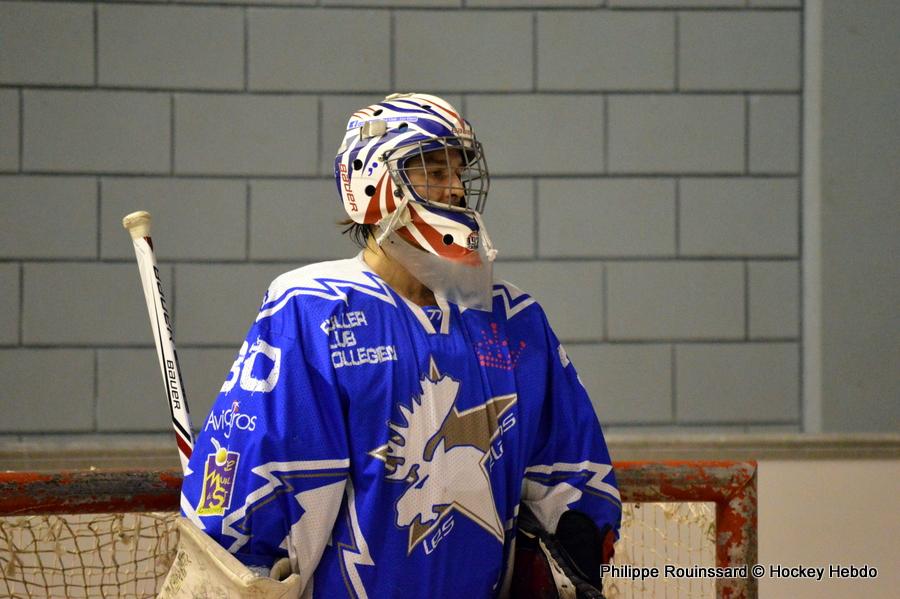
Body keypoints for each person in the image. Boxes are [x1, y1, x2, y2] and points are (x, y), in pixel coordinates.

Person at [162, 93, 621, 599]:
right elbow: (265, 482)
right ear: (373, 182)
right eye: (434, 171)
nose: (455, 189)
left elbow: (570, 470)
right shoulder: (314, 309)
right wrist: (232, 563)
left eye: (458, 173)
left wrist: (577, 542)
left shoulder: (514, 318)